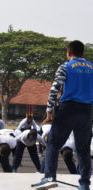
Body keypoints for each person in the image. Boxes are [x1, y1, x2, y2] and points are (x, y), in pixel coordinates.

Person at [35, 40, 93, 190]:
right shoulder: (92, 67)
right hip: (87, 110)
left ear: (68, 53)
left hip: (69, 108)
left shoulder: (65, 66)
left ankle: (49, 176)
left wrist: (49, 111)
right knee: (83, 148)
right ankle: (85, 183)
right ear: (83, 53)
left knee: (53, 143)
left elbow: (55, 89)